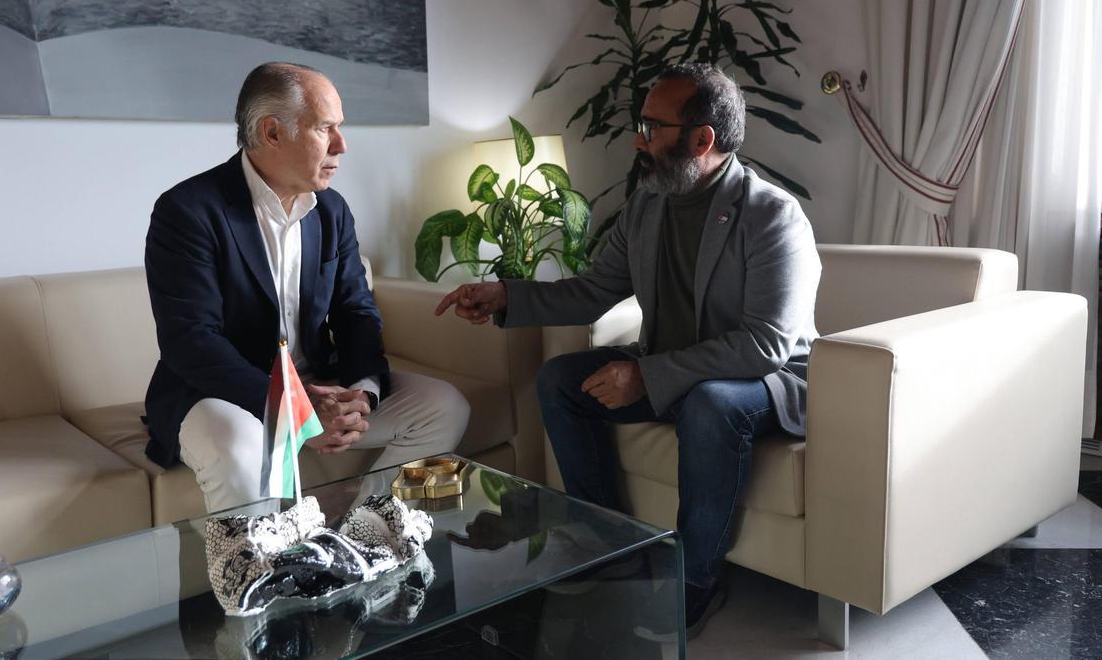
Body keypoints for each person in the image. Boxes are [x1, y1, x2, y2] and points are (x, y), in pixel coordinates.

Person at [436, 63, 820, 638]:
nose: (638, 139)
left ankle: (696, 581)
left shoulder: (772, 215)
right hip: (677, 369)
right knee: (560, 381)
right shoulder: (648, 205)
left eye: (651, 126)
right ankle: (611, 548)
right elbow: (593, 290)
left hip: (763, 381)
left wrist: (648, 376)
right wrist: (504, 296)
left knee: (710, 403)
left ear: (702, 139)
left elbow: (764, 344)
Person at [144, 62, 469, 513]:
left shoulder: (332, 211)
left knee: (444, 405)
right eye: (326, 128)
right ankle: (260, 581)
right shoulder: (188, 210)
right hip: (218, 394)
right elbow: (191, 340)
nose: (342, 144)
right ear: (273, 133)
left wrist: (361, 394)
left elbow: (356, 311)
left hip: (317, 381)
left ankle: (365, 538)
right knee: (241, 448)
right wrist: (294, 411)